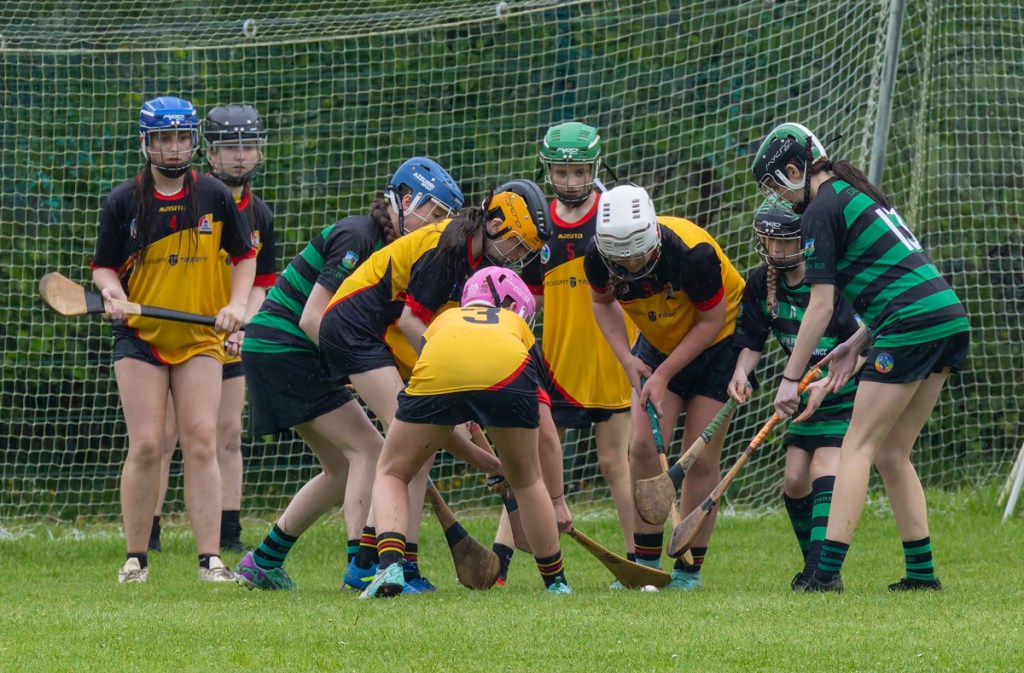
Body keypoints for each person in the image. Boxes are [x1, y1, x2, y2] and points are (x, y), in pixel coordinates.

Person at [752, 122, 970, 592]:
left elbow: (821, 307)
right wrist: (854, 345)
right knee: (892, 452)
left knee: (857, 446)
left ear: (795, 171)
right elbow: (899, 279)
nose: (778, 197)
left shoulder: (819, 208)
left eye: (775, 184)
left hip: (910, 325)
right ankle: (921, 576)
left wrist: (790, 379)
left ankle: (824, 574)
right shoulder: (856, 193)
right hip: (945, 316)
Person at [233, 158, 464, 590]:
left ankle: (263, 561)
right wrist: (355, 371)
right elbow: (313, 317)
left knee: (342, 469)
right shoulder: (359, 236)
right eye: (433, 214)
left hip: (287, 352)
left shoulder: (399, 255)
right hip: (286, 347)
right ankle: (363, 568)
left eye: (444, 219)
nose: (437, 227)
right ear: (406, 200)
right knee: (371, 450)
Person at [319, 179, 550, 592]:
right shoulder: (447, 246)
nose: (517, 259)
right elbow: (412, 321)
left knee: (415, 448)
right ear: (495, 224)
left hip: (383, 333)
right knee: (409, 445)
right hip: (355, 326)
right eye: (516, 246)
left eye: (524, 253)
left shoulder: (475, 259)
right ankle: (390, 566)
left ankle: (374, 562)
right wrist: (447, 386)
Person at [91, 95, 256, 583]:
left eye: (183, 137)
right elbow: (103, 267)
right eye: (164, 138)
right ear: (147, 142)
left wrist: (236, 306)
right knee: (146, 444)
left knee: (202, 438)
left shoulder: (213, 196)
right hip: (140, 337)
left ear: (194, 141)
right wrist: (113, 293)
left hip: (200, 336)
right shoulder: (124, 201)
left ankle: (211, 560)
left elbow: (244, 257)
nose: (174, 147)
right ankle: (135, 559)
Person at [361, 267, 570, 597]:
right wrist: (557, 501)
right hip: (508, 372)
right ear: (513, 306)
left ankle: (389, 568)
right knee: (529, 481)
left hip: (440, 365)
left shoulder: (444, 322)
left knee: (392, 471)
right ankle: (556, 583)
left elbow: (437, 430)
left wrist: (491, 464)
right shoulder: (516, 327)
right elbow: (546, 434)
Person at [584, 183, 744, 590]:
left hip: (719, 343)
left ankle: (689, 571)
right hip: (658, 343)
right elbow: (602, 303)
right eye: (622, 260)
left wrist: (663, 374)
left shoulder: (693, 256)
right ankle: (646, 565)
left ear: (653, 238)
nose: (631, 267)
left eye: (638, 257)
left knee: (699, 456)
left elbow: (711, 321)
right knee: (641, 446)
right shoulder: (597, 258)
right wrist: (627, 359)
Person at [150, 103, 277, 554]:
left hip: (230, 337)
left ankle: (229, 533)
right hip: (181, 335)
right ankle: (149, 532)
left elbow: (262, 282)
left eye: (248, 146)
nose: (240, 156)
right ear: (210, 152)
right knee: (164, 435)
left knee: (226, 435)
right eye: (229, 147)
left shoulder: (261, 214)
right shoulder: (194, 201)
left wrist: (245, 323)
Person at [727, 200, 864, 587]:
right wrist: (741, 372)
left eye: (784, 241)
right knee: (794, 481)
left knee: (823, 469)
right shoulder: (761, 283)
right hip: (803, 397)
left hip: (845, 391)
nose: (775, 250)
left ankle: (823, 575)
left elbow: (861, 349)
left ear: (806, 240)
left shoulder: (832, 282)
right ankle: (813, 566)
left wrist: (827, 382)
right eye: (769, 241)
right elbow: (752, 339)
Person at [535, 122, 636, 578]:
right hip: (557, 363)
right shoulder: (539, 221)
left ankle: (641, 558)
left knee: (616, 462)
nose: (571, 181)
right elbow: (532, 298)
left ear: (595, 168)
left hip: (611, 360)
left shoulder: (615, 215)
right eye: (562, 172)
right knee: (533, 461)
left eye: (579, 172)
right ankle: (506, 562)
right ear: (548, 170)